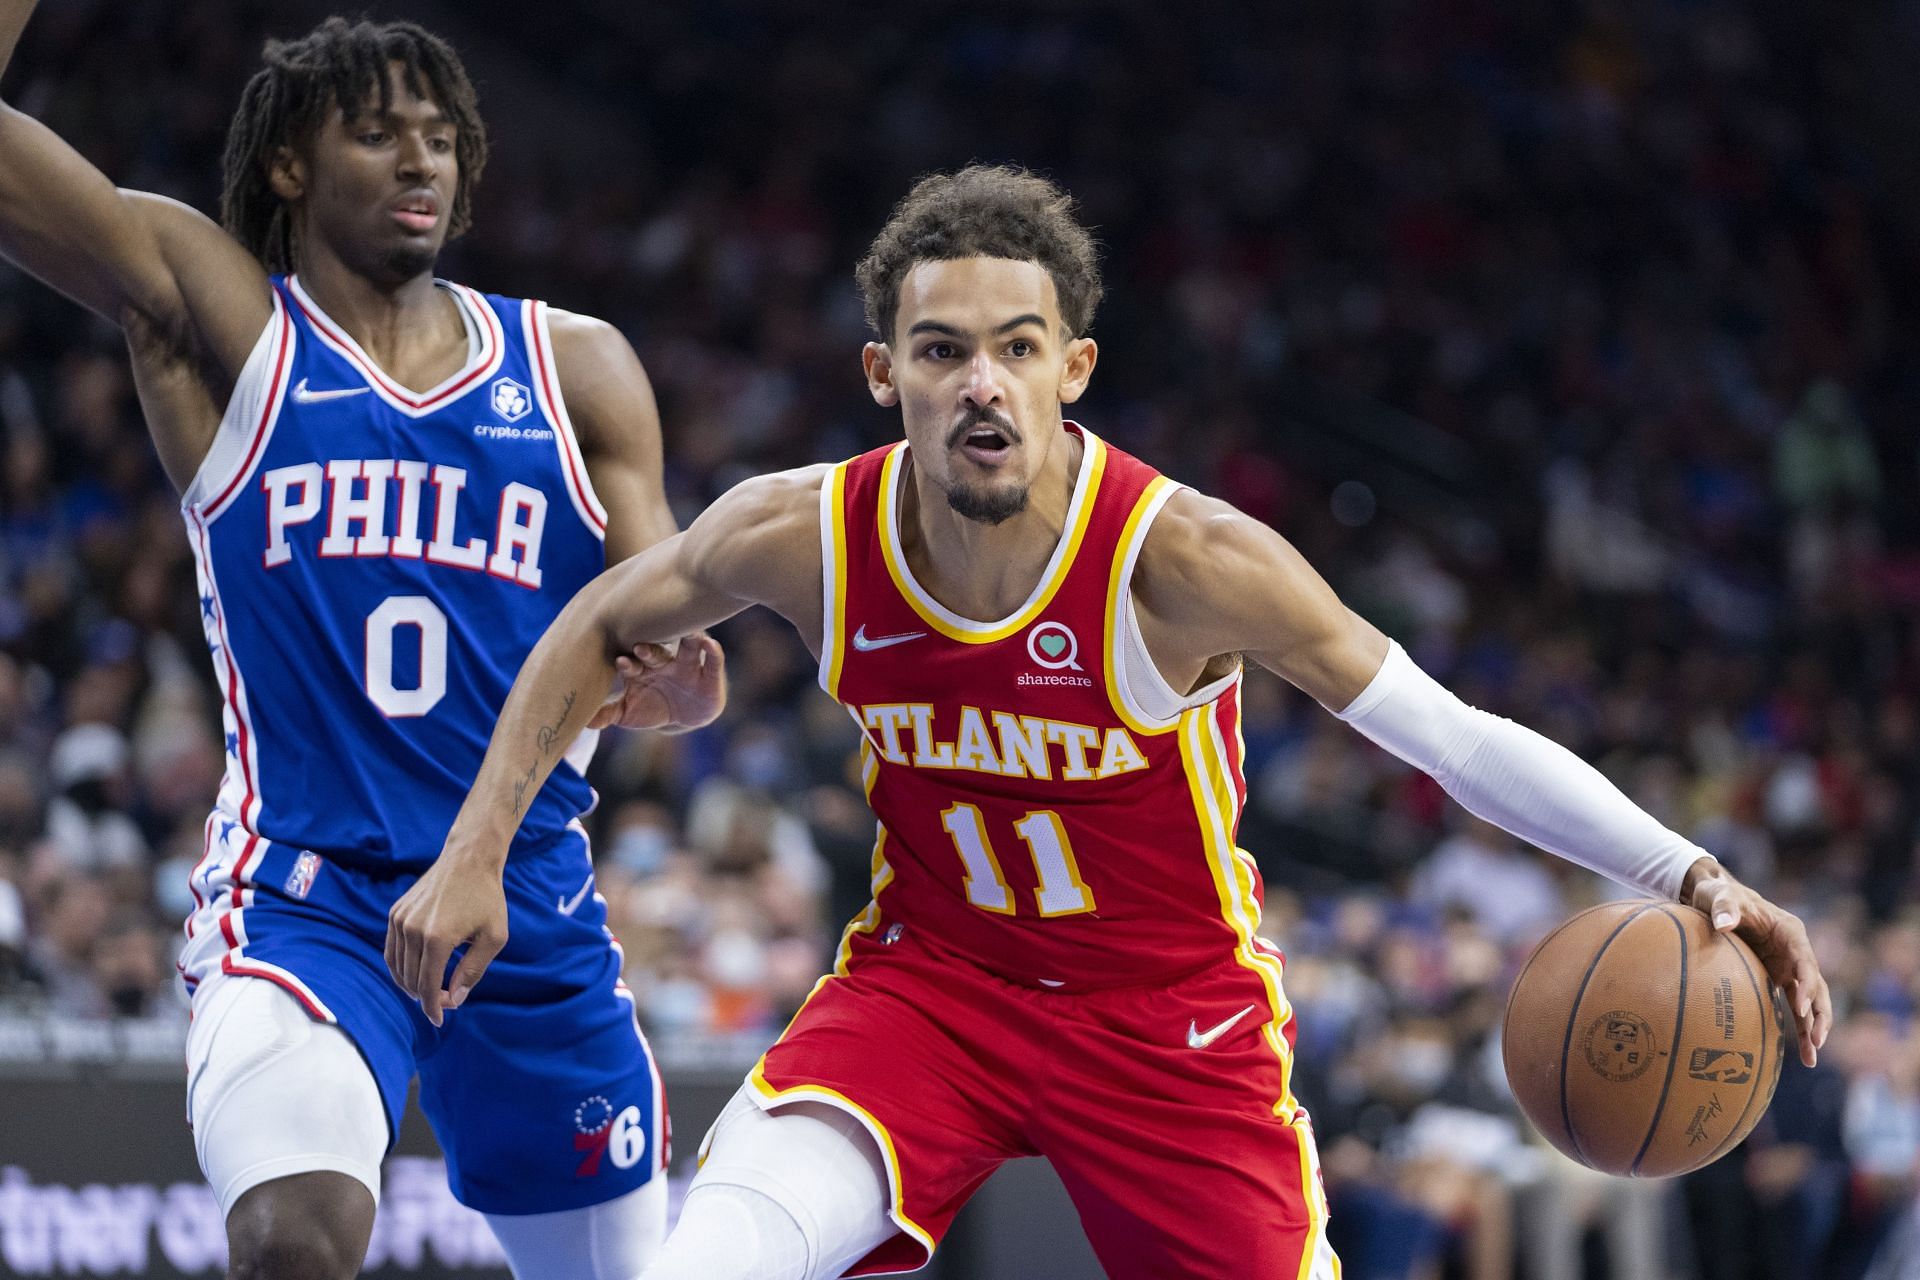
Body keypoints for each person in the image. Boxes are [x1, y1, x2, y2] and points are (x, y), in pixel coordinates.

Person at [392, 165, 1833, 1280]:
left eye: (1018, 348)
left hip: (1171, 1023)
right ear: (884, 375)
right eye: (943, 351)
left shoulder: (1185, 559)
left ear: (1072, 369)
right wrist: (476, 847)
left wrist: (1692, 877)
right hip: (932, 993)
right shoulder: (802, 533)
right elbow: (590, 624)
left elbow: (1451, 738)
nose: (983, 384)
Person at [0, 10, 724, 1279]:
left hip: (526, 903)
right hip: (307, 892)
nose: (421, 163)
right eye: (378, 134)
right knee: (294, 1240)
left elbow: (648, 608)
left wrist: (678, 669)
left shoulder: (578, 369)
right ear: (288, 164)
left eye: (441, 139)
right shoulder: (229, 326)